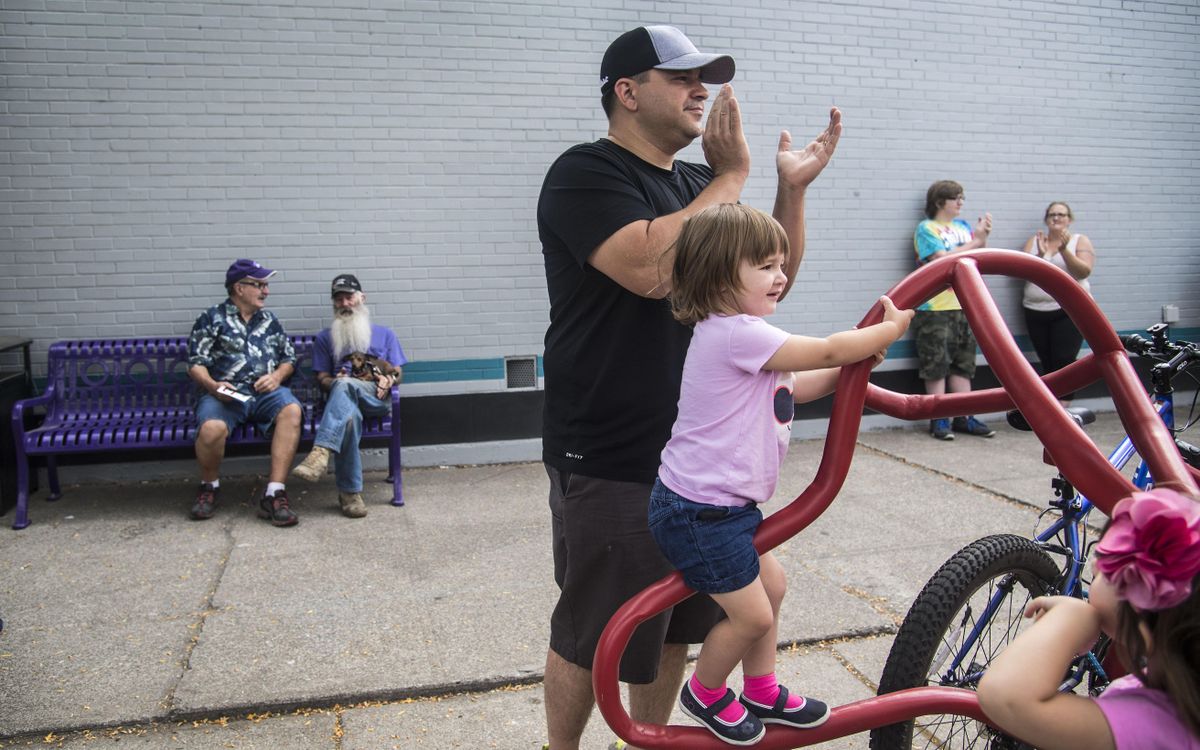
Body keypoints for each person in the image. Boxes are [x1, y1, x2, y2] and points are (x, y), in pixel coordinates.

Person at [536, 24, 842, 750]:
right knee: (598, 627)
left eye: (705, 77)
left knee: (680, 622)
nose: (699, 89)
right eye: (680, 77)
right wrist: (733, 178)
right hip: (612, 448)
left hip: (700, 460)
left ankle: (644, 738)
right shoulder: (586, 173)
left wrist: (787, 193)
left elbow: (768, 275)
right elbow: (650, 271)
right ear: (627, 91)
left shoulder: (702, 185)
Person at [650, 204, 912, 744]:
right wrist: (888, 331)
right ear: (723, 273)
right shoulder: (734, 334)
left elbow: (801, 383)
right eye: (766, 265)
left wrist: (855, 368)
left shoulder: (748, 340)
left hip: (727, 508)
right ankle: (705, 690)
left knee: (772, 589)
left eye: (781, 264)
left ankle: (762, 689)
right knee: (751, 616)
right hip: (698, 511)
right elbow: (831, 349)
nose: (781, 276)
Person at [978, 488, 1200, 749]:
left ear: (1145, 631)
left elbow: (1006, 698)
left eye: (1109, 566)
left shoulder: (1148, 725)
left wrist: (1069, 622)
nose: (1094, 565)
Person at [187, 259, 302, 526]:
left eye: (266, 285)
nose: (266, 291)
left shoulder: (269, 320)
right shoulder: (212, 318)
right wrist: (214, 386)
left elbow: (289, 359)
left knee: (292, 410)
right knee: (211, 429)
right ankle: (209, 487)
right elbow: (196, 364)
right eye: (259, 284)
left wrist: (277, 377)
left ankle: (275, 493)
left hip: (265, 395)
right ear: (239, 288)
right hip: (225, 396)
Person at [292, 274, 406, 518]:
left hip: (374, 399)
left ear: (361, 298)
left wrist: (390, 379)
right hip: (342, 402)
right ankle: (350, 495)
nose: (344, 303)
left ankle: (321, 452)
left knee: (345, 387)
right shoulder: (325, 338)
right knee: (349, 417)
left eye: (349, 297)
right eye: (339, 299)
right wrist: (336, 381)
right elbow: (322, 378)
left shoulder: (385, 334)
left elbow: (398, 372)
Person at [912, 180, 996, 441]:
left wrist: (981, 239)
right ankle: (939, 418)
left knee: (963, 364)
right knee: (936, 364)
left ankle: (964, 416)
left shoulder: (963, 228)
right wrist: (978, 241)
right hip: (935, 307)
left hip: (964, 304)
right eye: (955, 198)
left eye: (962, 198)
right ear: (939, 202)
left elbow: (973, 258)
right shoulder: (926, 229)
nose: (960, 203)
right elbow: (940, 260)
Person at [1022, 201, 1096, 405]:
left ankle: (1063, 409)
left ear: (1069, 220)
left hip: (1069, 310)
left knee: (1064, 361)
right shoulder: (1036, 241)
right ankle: (1051, 406)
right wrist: (1041, 255)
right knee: (1046, 362)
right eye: (1052, 214)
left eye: (1061, 215)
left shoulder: (1079, 241)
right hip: (1036, 309)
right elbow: (1025, 273)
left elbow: (1083, 271)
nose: (1056, 218)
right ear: (1046, 219)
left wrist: (1064, 251)